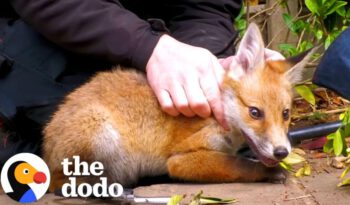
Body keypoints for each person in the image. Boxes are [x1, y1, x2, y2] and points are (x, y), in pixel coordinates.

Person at [0, 0, 283, 164]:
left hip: (159, 35)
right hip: (45, 29)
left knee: (227, 136)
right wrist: (150, 48)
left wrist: (201, 63)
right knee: (99, 144)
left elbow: (206, 7)